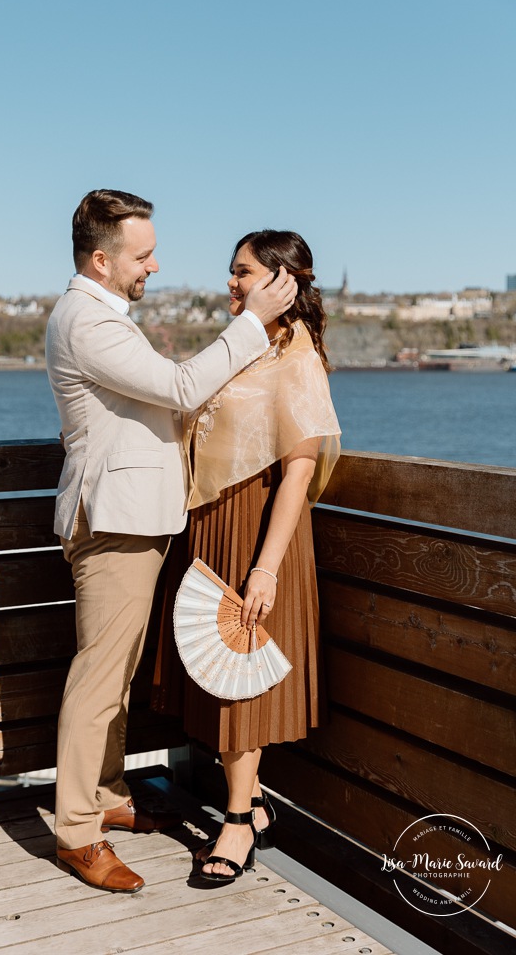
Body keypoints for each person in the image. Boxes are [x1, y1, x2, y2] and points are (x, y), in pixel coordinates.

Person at [45, 190, 297, 895]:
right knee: (97, 679)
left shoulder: (103, 318)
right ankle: (75, 833)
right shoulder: (89, 322)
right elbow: (183, 388)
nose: (154, 266)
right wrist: (253, 323)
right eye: (143, 254)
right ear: (102, 259)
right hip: (116, 523)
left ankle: (104, 794)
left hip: (135, 518)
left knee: (113, 673)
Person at [152, 229, 341, 882]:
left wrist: (264, 566)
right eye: (230, 272)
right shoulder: (242, 347)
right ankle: (253, 799)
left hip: (258, 530)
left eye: (242, 272)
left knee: (240, 684)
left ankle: (234, 824)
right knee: (217, 676)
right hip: (210, 527)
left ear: (280, 281)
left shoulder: (296, 358)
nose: (230, 283)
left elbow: (297, 470)